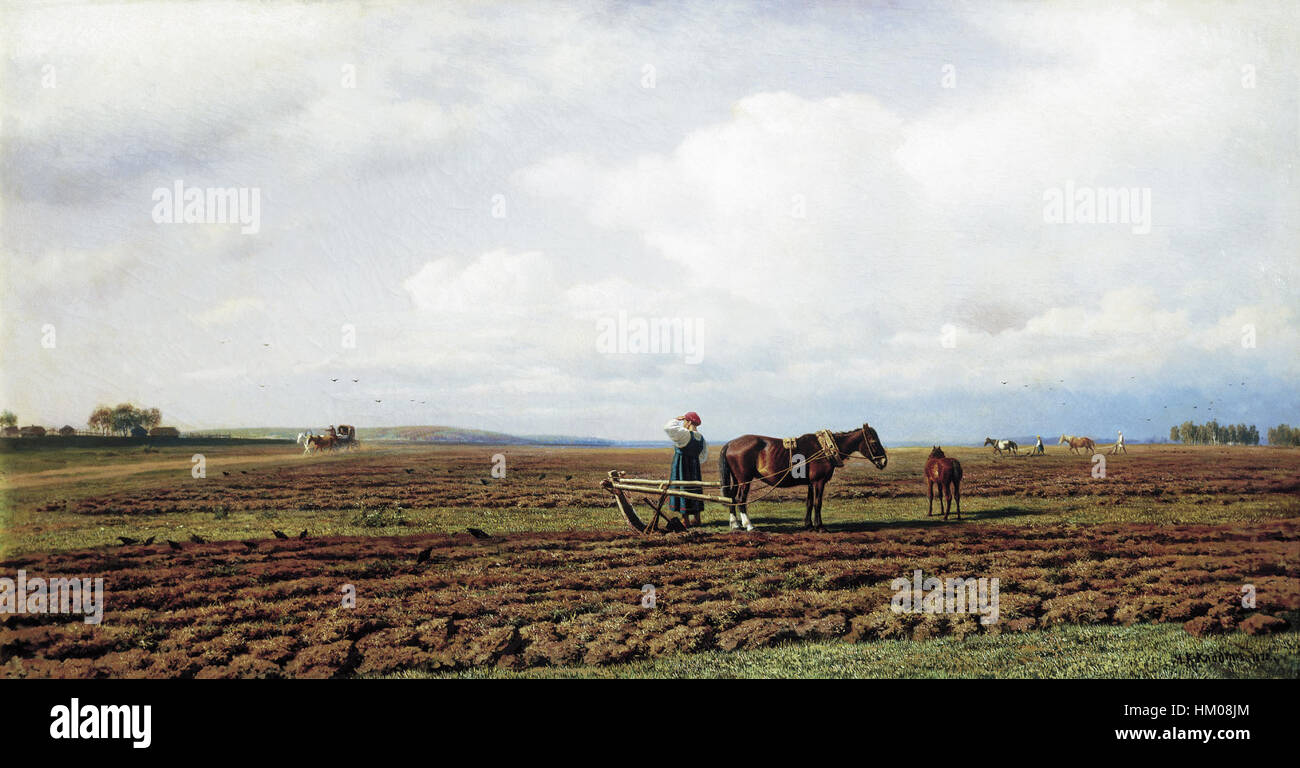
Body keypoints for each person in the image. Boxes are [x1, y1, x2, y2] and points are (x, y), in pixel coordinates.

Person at [664, 412, 707, 528]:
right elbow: (703, 457)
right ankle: (697, 519)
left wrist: (675, 419)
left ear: (688, 422)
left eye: (684, 421)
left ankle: (685, 520)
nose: (683, 424)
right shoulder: (701, 438)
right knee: (694, 490)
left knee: (682, 489)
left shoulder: (685, 434)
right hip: (694, 468)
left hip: (681, 466)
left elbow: (668, 428)